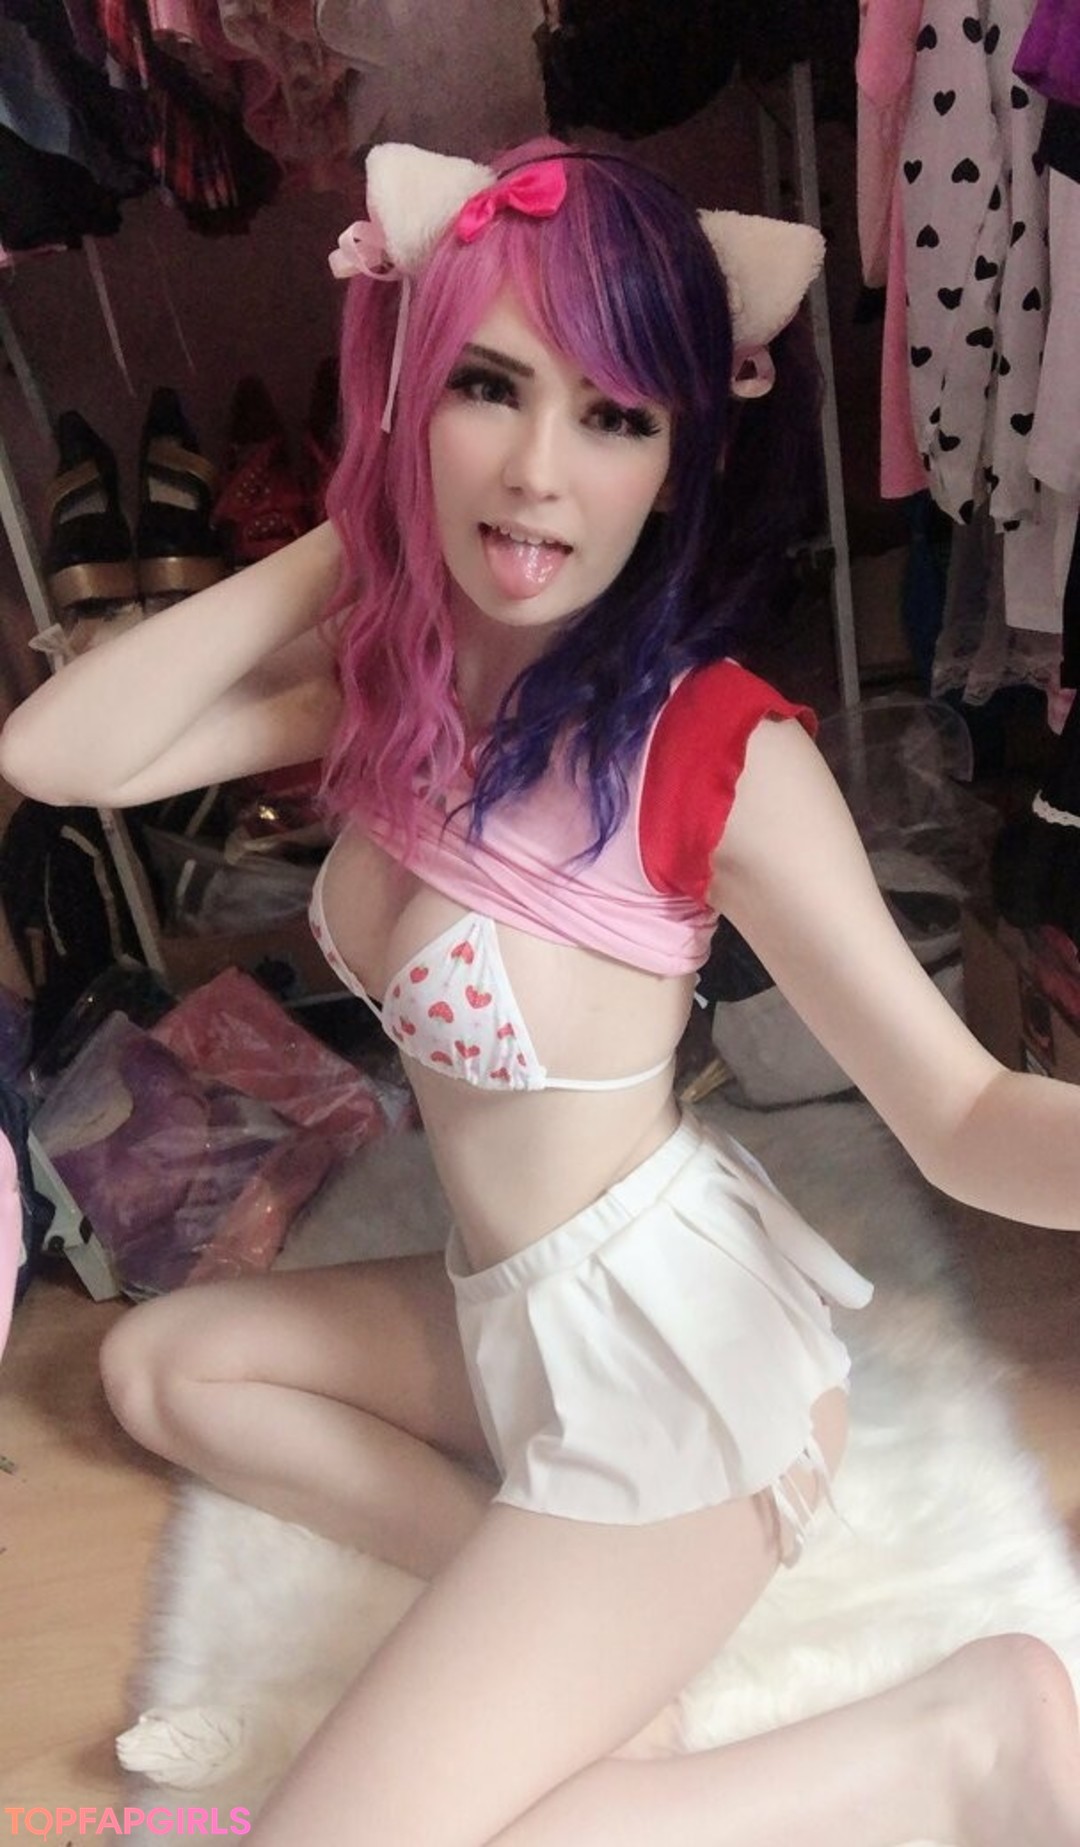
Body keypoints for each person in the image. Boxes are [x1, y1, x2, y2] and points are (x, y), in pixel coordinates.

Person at [3, 137, 1080, 1847]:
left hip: (678, 1385)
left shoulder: (711, 747)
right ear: (411, 388)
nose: (536, 474)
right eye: (488, 386)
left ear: (679, 457)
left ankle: (964, 1731)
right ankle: (552, 1636)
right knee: (162, 1369)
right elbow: (58, 753)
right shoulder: (395, 679)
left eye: (616, 417)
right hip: (511, 1315)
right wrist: (357, 535)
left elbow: (959, 1117)